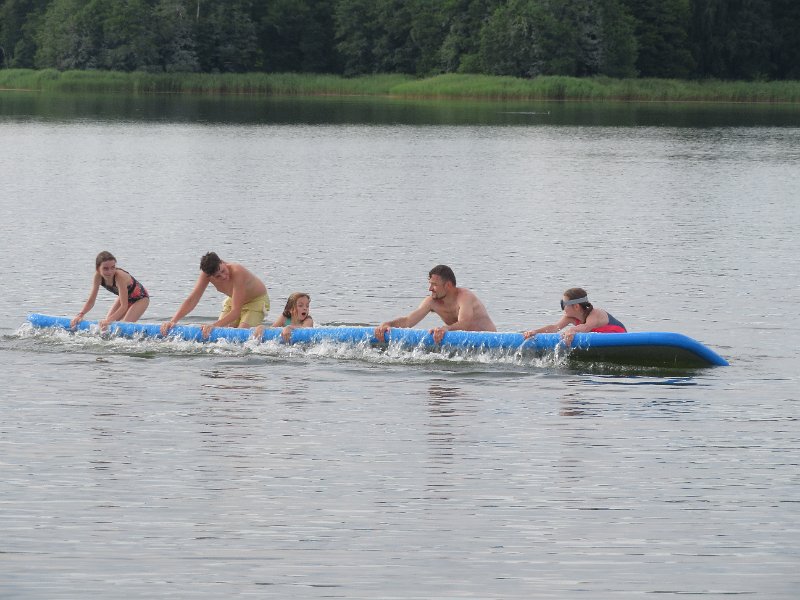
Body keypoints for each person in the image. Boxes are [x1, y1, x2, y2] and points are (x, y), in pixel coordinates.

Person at [374, 264, 496, 344]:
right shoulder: (432, 302)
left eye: (434, 285)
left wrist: (446, 328)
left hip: (490, 340)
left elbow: (465, 323)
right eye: (430, 284)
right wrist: (388, 324)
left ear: (448, 285)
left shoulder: (465, 297)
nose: (430, 289)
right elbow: (408, 321)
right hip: (462, 342)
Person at [160, 252, 269, 339]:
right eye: (218, 276)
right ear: (210, 276)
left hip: (256, 301)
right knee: (219, 335)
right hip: (233, 300)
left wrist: (213, 325)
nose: (223, 276)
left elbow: (236, 312)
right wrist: (173, 321)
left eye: (223, 271)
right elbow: (192, 299)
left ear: (222, 262)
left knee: (240, 336)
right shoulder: (206, 275)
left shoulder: (237, 271)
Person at [70, 251, 150, 330]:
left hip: (141, 298)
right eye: (105, 268)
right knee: (104, 327)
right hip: (125, 298)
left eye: (113, 267)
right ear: (98, 269)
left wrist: (108, 321)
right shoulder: (97, 277)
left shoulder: (119, 277)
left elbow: (123, 306)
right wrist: (80, 315)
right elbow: (91, 301)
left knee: (123, 327)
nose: (110, 272)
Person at [522, 287, 626, 346]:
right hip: (599, 339)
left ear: (576, 306)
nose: (563, 308)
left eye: (564, 304)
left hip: (619, 337)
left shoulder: (595, 313)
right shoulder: (570, 316)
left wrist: (572, 329)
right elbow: (555, 327)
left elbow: (586, 327)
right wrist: (535, 332)